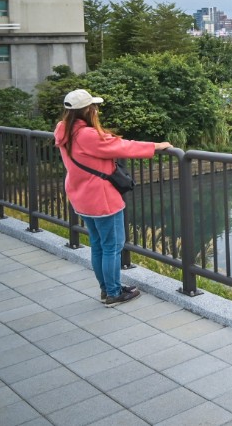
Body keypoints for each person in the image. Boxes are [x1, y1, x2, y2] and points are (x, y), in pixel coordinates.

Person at [54, 89, 172, 306]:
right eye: (94, 107)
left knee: (98, 245)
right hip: (101, 198)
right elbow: (121, 146)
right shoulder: (87, 135)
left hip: (80, 195)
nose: (97, 110)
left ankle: (107, 288)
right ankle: (113, 293)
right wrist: (156, 146)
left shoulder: (63, 129)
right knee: (112, 246)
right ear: (88, 110)